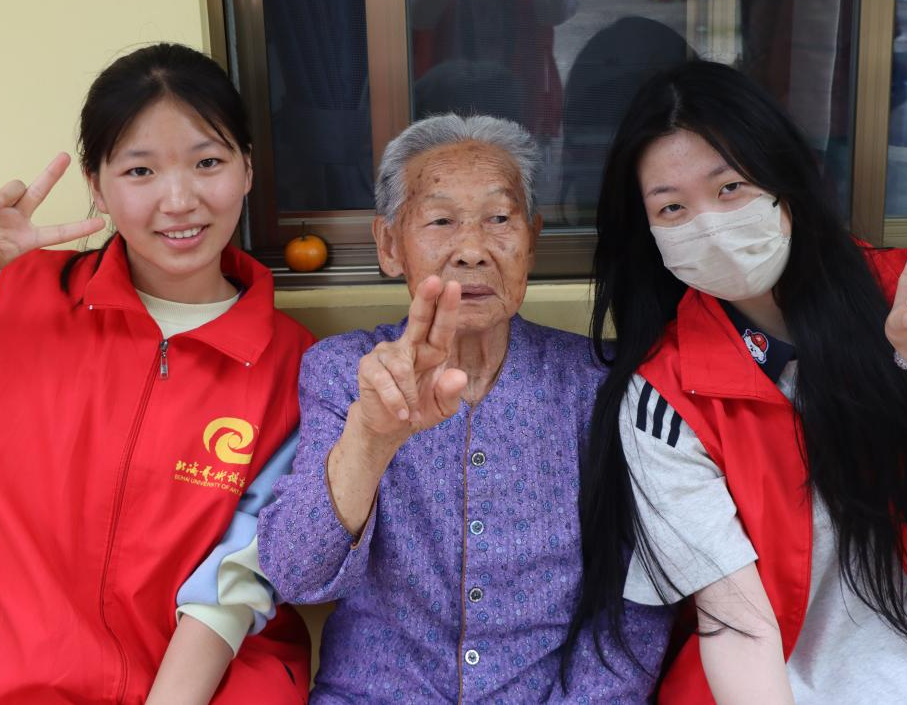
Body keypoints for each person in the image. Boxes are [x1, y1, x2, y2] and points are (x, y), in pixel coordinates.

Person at [565, 61, 907, 704]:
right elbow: (737, 625)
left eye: (730, 187)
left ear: (784, 183)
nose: (709, 224)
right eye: (672, 207)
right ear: (649, 231)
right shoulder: (664, 394)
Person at [0, 43, 313, 704]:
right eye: (140, 170)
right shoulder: (0, 305)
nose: (179, 200)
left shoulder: (295, 365)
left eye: (207, 162)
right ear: (96, 185)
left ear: (247, 169)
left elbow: (231, 590)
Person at [256, 114, 672, 702]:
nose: (473, 250)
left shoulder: (595, 384)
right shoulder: (344, 371)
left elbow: (636, 599)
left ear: (532, 240)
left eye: (499, 219)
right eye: (441, 220)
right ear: (389, 246)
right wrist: (370, 439)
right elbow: (298, 575)